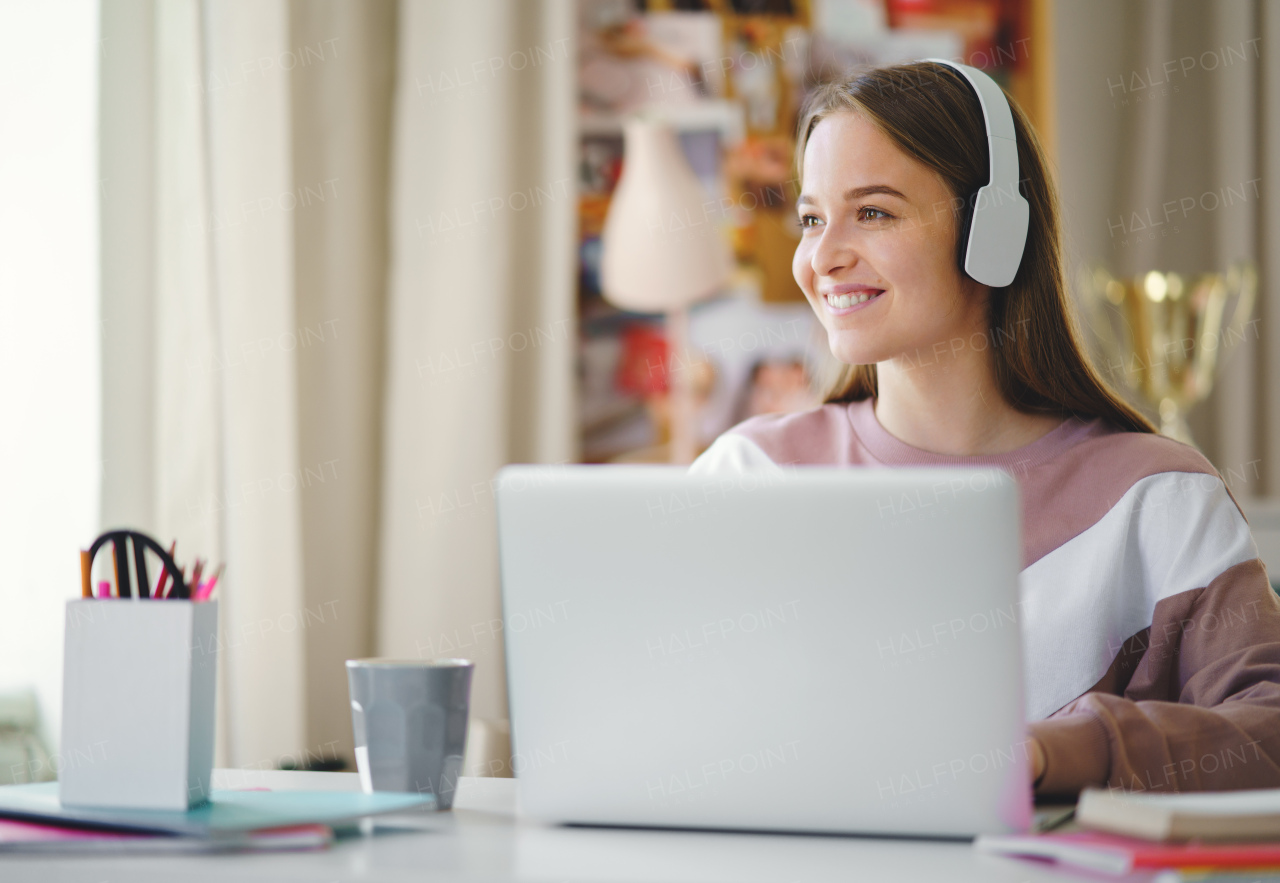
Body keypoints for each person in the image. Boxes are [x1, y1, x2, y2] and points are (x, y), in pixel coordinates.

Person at [689, 60, 1280, 795]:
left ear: (992, 231)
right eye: (812, 218)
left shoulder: (1157, 497)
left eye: (873, 211)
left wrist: (1052, 753)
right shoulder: (746, 478)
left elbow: (1271, 729)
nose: (822, 257)